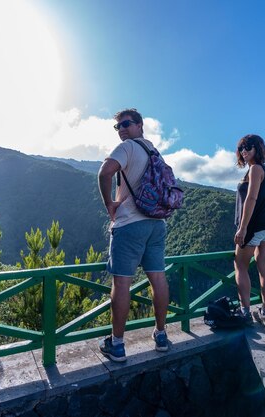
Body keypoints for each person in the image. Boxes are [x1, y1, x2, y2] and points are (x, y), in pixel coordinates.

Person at [97, 108, 170, 362]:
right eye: (118, 127)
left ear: (140, 125)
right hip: (157, 224)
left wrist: (109, 204)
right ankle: (161, 335)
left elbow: (105, 172)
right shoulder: (154, 151)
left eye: (126, 124)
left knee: (121, 283)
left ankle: (117, 344)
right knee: (158, 279)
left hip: (130, 225)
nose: (122, 130)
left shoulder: (127, 148)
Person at [233, 134, 265, 327]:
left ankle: (244, 311)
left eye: (249, 147)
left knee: (240, 266)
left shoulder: (254, 169)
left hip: (254, 225)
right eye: (242, 148)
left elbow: (251, 199)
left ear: (258, 148)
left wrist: (243, 228)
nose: (244, 151)